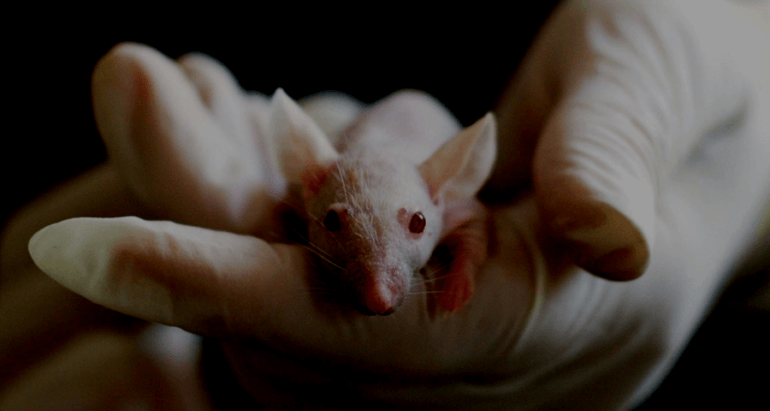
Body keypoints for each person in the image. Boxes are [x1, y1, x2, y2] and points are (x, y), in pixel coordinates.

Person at [2, 0, 768, 409]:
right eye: (330, 224)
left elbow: (472, 223)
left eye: (416, 231)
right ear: (308, 179)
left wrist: (752, 202)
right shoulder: (313, 185)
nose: (378, 291)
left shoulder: (449, 197)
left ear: (453, 181)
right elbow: (297, 209)